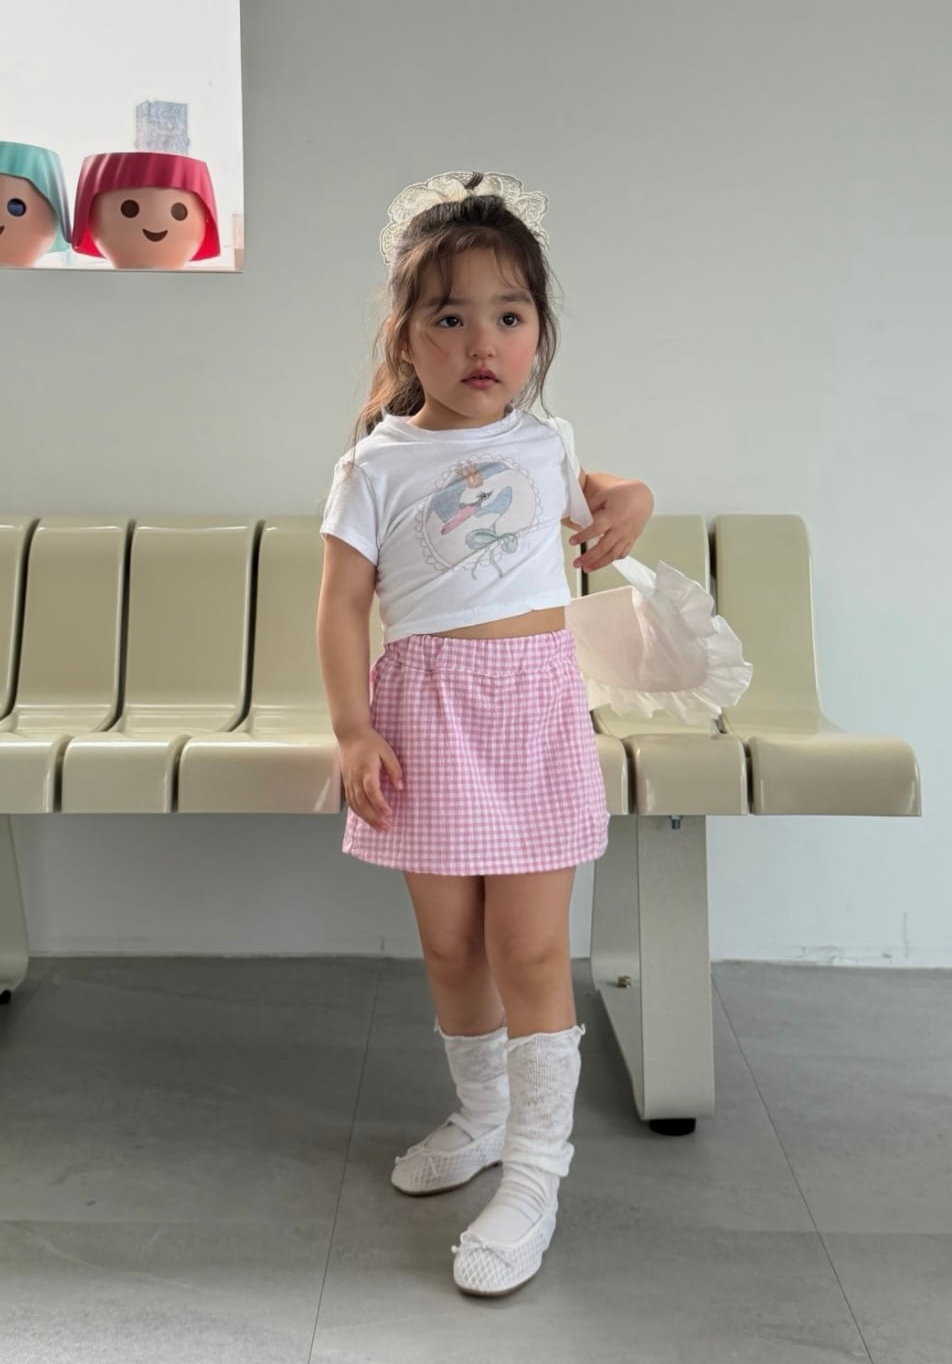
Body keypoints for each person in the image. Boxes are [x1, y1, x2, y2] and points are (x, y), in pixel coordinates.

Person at [316, 171, 654, 1298]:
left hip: (535, 712)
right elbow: (341, 606)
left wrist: (634, 495)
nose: (482, 342)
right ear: (406, 336)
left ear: (538, 332)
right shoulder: (376, 463)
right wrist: (353, 729)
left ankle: (538, 1170)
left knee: (532, 951)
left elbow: (604, 489)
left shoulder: (545, 444)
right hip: (427, 715)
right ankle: (483, 1114)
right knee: (453, 945)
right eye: (450, 317)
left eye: (509, 315)